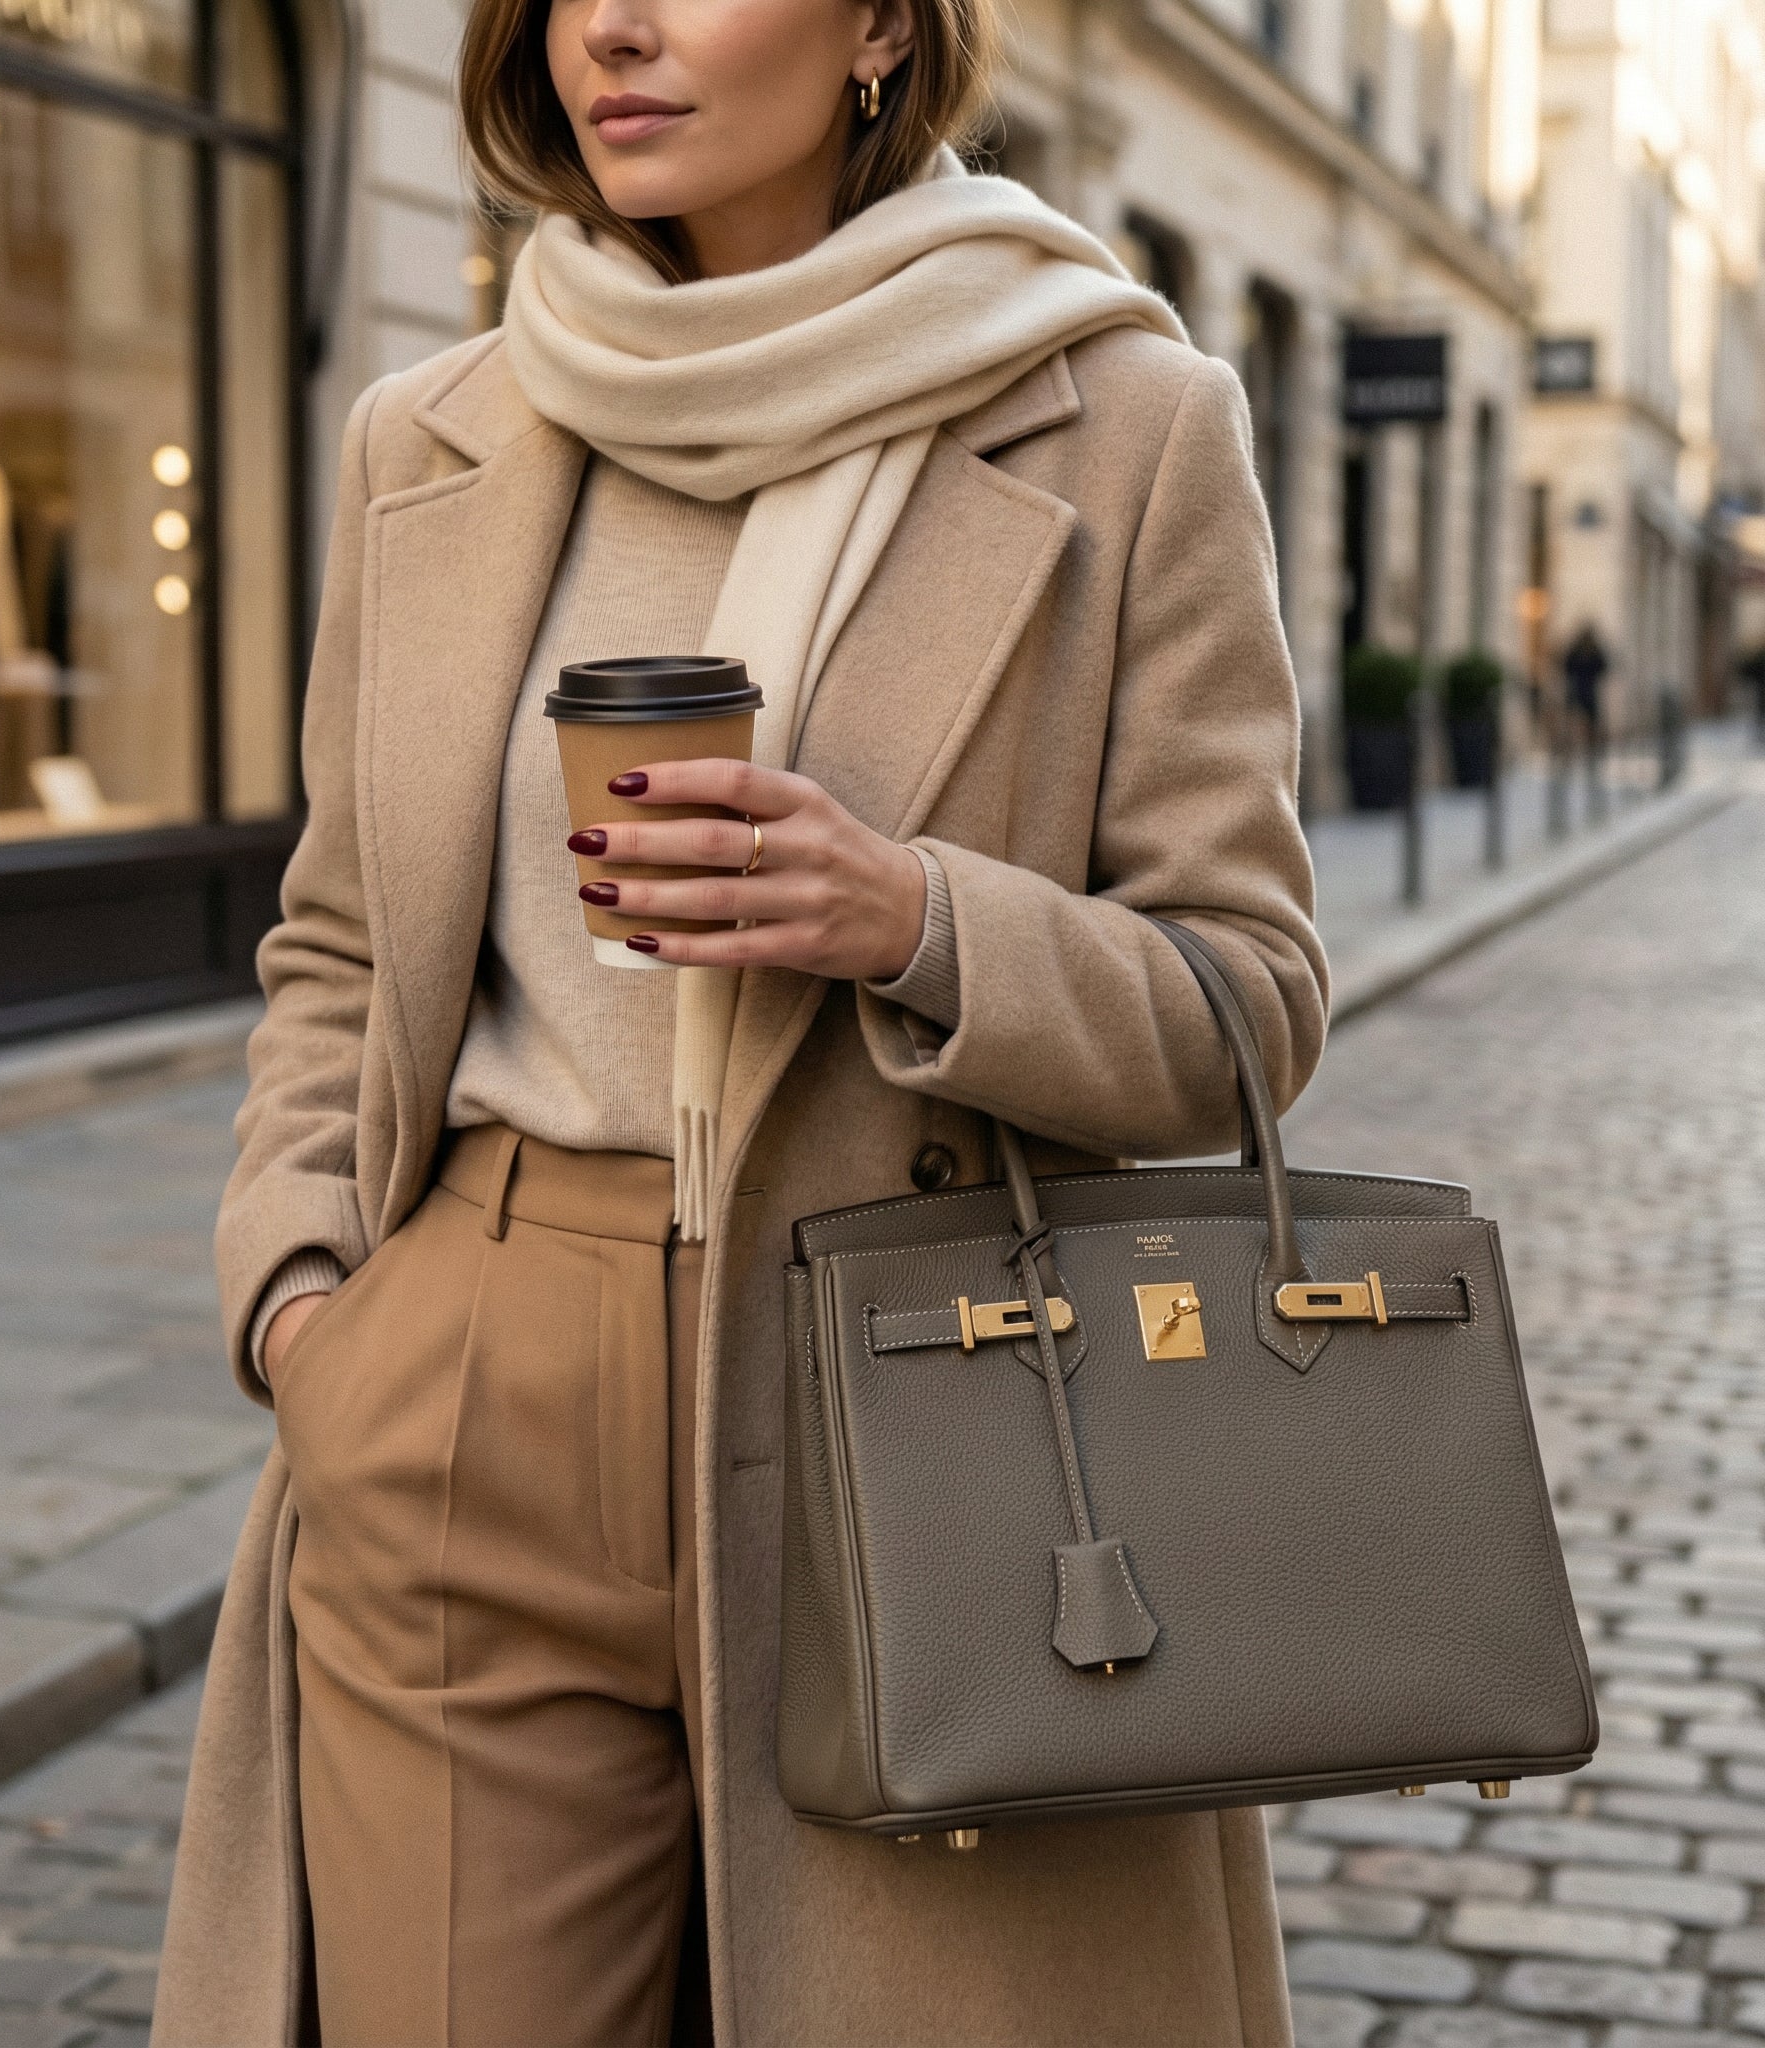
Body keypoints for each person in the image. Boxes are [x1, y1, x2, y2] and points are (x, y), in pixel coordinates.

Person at [151, 0, 1328, 2033]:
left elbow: (1249, 1001)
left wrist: (910, 918)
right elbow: (339, 943)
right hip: (470, 1390)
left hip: (930, 1402)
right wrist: (303, 1304)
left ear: (882, 24)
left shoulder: (1122, 415)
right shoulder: (435, 430)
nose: (610, 24)